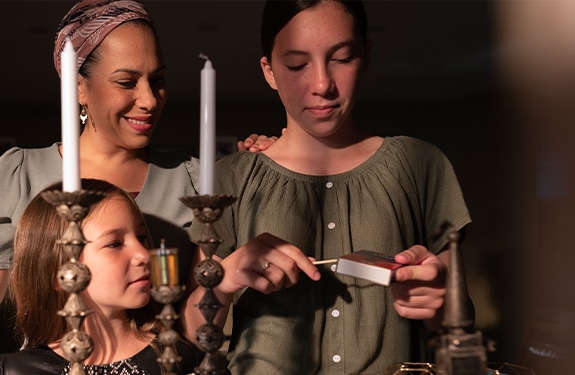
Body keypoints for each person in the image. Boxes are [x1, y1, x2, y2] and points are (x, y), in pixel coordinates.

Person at [0, 1, 277, 374]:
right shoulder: (21, 172)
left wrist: (269, 162)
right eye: (126, 81)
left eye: (157, 80)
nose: (148, 100)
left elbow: (200, 311)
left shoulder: (194, 177)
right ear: (78, 86)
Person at [181, 0, 475, 374]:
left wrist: (440, 303)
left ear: (365, 55)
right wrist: (224, 282)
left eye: (341, 58)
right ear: (269, 71)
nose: (322, 85)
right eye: (297, 65)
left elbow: (460, 327)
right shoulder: (229, 179)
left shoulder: (422, 165)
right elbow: (192, 333)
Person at [0, 179, 203, 375]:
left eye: (142, 237)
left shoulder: (175, 356)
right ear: (59, 274)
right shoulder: (22, 371)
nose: (144, 254)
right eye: (115, 244)